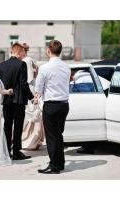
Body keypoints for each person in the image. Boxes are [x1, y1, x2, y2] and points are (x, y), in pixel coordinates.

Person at [34, 40, 70, 174]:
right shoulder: (66, 67)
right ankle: (60, 163)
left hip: (51, 105)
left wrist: (37, 98)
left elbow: (38, 88)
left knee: (51, 137)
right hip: (64, 105)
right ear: (60, 51)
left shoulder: (44, 67)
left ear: (49, 51)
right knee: (58, 135)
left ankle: (54, 165)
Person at [0, 42, 34, 160]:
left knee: (7, 126)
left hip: (6, 99)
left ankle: (7, 150)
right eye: (23, 51)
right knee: (18, 127)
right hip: (18, 101)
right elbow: (23, 83)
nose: (24, 54)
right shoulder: (21, 64)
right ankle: (17, 152)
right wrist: (31, 97)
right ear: (19, 51)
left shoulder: (1, 65)